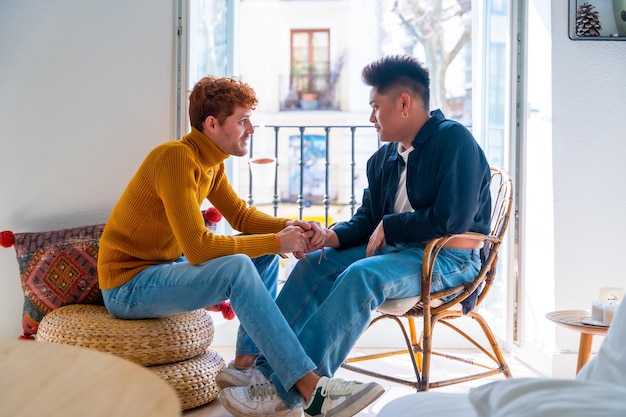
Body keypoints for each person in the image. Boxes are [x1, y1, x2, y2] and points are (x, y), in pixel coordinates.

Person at [218, 55, 492, 415]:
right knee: (314, 264)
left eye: (376, 107)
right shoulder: (383, 160)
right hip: (397, 252)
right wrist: (325, 237)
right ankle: (268, 370)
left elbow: (452, 219)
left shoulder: (453, 140)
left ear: (404, 103)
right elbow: (366, 222)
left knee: (360, 275)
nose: (371, 117)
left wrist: (390, 226)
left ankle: (286, 391)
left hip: (448, 258)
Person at [97, 75, 384, 417]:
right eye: (242, 121)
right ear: (212, 123)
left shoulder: (211, 163)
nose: (251, 129)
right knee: (238, 264)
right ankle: (311, 389)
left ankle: (246, 365)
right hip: (127, 286)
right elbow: (198, 247)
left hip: (161, 270)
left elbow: (242, 217)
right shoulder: (175, 158)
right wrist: (279, 241)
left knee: (259, 253)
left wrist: (294, 227)